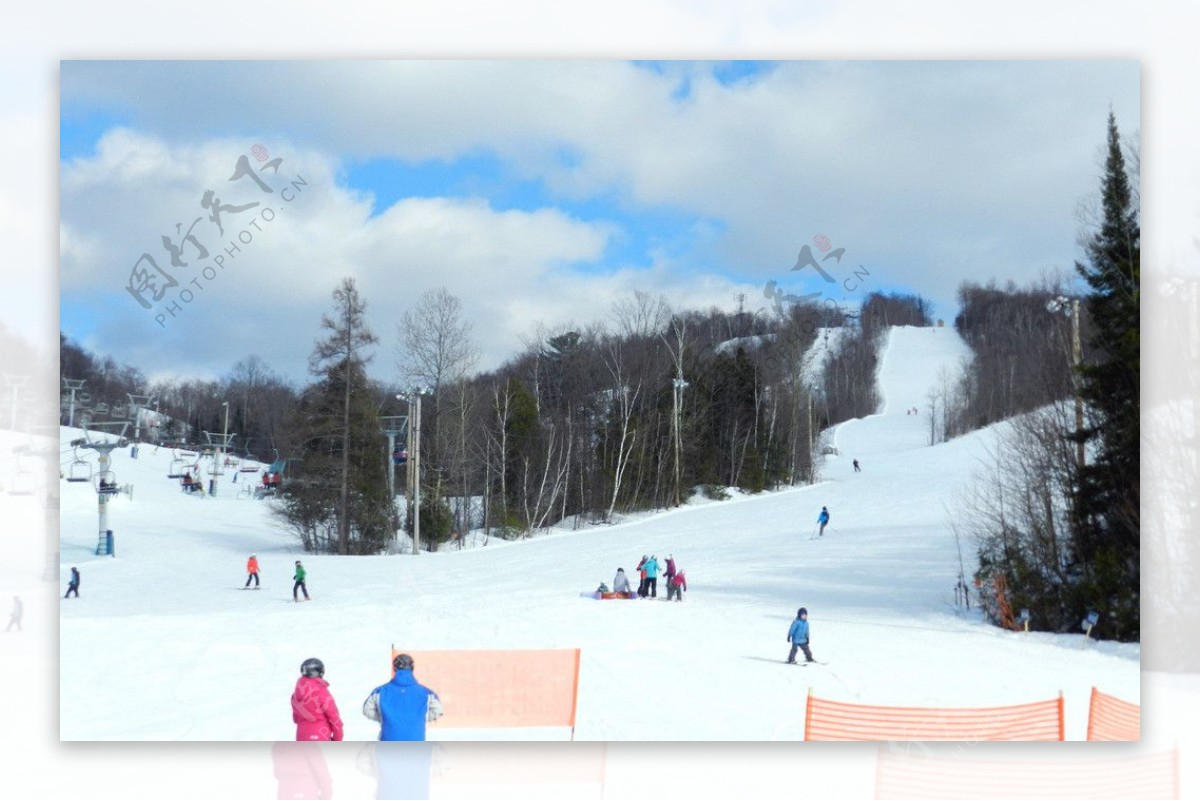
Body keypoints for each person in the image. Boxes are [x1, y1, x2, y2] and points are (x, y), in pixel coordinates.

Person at [363, 653, 444, 741]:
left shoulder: (380, 691)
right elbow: (438, 710)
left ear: (394, 668)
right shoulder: (426, 692)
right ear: (412, 668)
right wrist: (419, 718)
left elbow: (367, 709)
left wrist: (386, 718)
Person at [291, 657, 344, 741]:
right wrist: (337, 739)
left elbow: (296, 718)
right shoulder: (321, 692)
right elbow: (334, 718)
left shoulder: (296, 694)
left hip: (301, 737)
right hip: (319, 737)